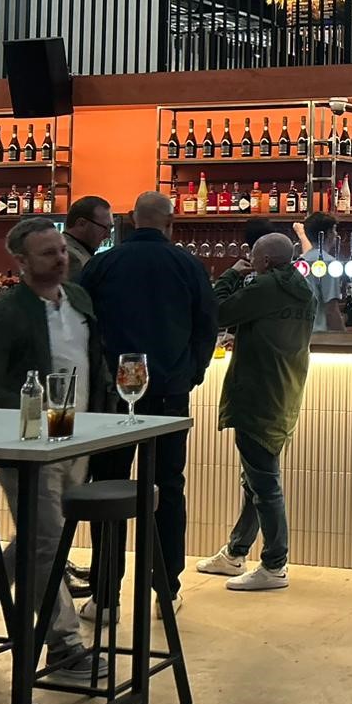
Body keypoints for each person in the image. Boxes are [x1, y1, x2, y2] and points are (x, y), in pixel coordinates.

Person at [0, 218, 108, 682]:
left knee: (45, 540)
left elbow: (92, 361)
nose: (61, 259)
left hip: (76, 437)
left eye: (62, 250)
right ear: (21, 261)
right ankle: (63, 646)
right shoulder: (6, 313)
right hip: (27, 445)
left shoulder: (79, 300)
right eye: (48, 253)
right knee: (46, 543)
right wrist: (32, 409)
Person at [78, 191, 219, 614]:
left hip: (112, 397)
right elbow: (207, 325)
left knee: (108, 489)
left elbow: (83, 322)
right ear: (170, 223)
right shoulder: (188, 265)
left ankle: (105, 596)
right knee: (168, 490)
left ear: (130, 220)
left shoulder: (103, 264)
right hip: (169, 393)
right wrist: (190, 374)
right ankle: (166, 590)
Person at [196, 233, 315, 592]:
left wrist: (232, 274)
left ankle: (274, 563)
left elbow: (216, 312)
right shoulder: (303, 289)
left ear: (262, 261)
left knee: (264, 483)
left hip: (257, 393)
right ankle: (236, 551)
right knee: (256, 478)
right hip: (284, 390)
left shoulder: (264, 287)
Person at [294, 212, 345, 332]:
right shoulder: (329, 263)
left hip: (300, 333)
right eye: (334, 230)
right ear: (328, 234)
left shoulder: (300, 262)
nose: (336, 234)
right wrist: (344, 337)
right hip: (321, 333)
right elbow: (331, 309)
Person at [62, 195, 113, 280]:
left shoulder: (72, 251)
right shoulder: (72, 258)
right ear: (81, 224)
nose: (108, 235)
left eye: (111, 228)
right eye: (105, 228)